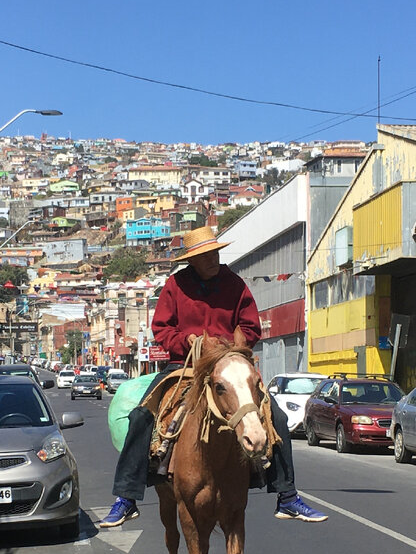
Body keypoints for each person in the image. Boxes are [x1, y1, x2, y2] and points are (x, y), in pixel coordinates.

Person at [100, 225, 327, 527]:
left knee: (278, 417)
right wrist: (191, 343)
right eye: (205, 256)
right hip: (184, 365)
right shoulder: (174, 286)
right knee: (142, 416)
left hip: (228, 364)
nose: (212, 260)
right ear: (191, 260)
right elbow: (162, 330)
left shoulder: (235, 285)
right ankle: (126, 498)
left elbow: (251, 328)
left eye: (215, 253)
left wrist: (229, 347)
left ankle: (286, 496)